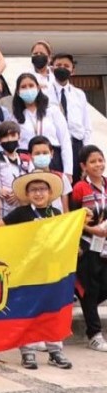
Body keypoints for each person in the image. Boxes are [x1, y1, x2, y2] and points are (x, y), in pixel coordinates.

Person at [1, 171, 75, 370]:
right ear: (27, 194)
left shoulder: (56, 213)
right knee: (28, 308)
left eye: (42, 189)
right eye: (33, 190)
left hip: (52, 269)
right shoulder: (20, 213)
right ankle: (28, 351)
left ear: (50, 193)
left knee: (53, 309)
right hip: (28, 270)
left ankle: (55, 350)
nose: (38, 193)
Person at [69, 145, 107, 352]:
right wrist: (93, 230)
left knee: (100, 288)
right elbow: (73, 219)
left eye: (100, 160)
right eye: (93, 162)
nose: (98, 165)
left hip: (105, 245)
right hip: (87, 245)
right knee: (90, 289)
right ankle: (94, 335)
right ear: (84, 166)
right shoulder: (80, 188)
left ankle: (81, 297)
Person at [12, 72, 74, 174]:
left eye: (31, 85)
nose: (28, 89)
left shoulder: (52, 111)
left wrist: (68, 171)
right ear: (18, 92)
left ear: (38, 88)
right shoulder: (16, 117)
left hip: (52, 158)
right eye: (23, 87)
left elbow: (65, 141)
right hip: (26, 161)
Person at [50, 54, 90, 180]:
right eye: (58, 65)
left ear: (73, 71)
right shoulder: (44, 93)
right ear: (52, 68)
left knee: (77, 183)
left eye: (66, 66)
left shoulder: (79, 94)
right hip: (55, 147)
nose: (62, 68)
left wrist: (86, 151)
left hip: (77, 146)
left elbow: (86, 125)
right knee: (57, 184)